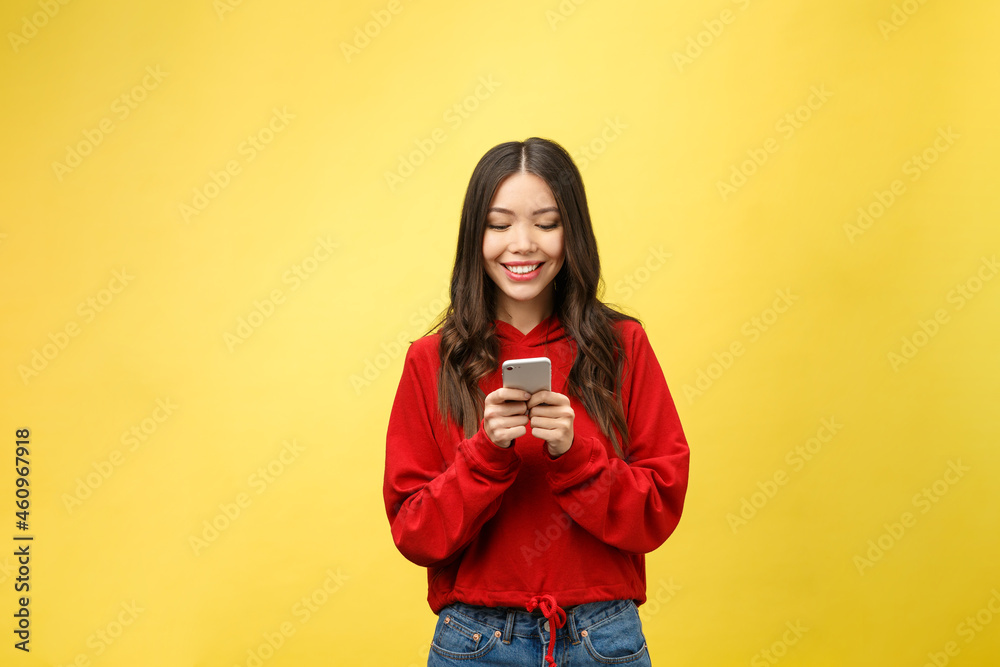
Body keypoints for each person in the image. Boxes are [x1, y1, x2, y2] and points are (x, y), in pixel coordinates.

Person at [383, 137, 690, 667]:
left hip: (603, 635)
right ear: (473, 236)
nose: (522, 244)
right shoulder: (429, 360)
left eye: (546, 223)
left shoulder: (623, 346)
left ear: (572, 233)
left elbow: (658, 510)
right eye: (499, 225)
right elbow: (415, 535)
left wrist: (575, 456)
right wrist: (484, 454)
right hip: (475, 641)